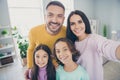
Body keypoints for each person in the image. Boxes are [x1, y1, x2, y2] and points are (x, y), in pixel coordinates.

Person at [66, 10, 120, 80]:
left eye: (80, 22)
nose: (77, 26)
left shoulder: (95, 39)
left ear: (85, 22)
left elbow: (108, 46)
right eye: (72, 24)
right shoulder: (71, 43)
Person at [25, 1, 66, 79]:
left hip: (59, 70)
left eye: (59, 16)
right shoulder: (33, 32)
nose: (54, 20)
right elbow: (31, 50)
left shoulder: (67, 32)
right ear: (45, 17)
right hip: (41, 69)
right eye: (50, 15)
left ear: (63, 19)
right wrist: (30, 68)